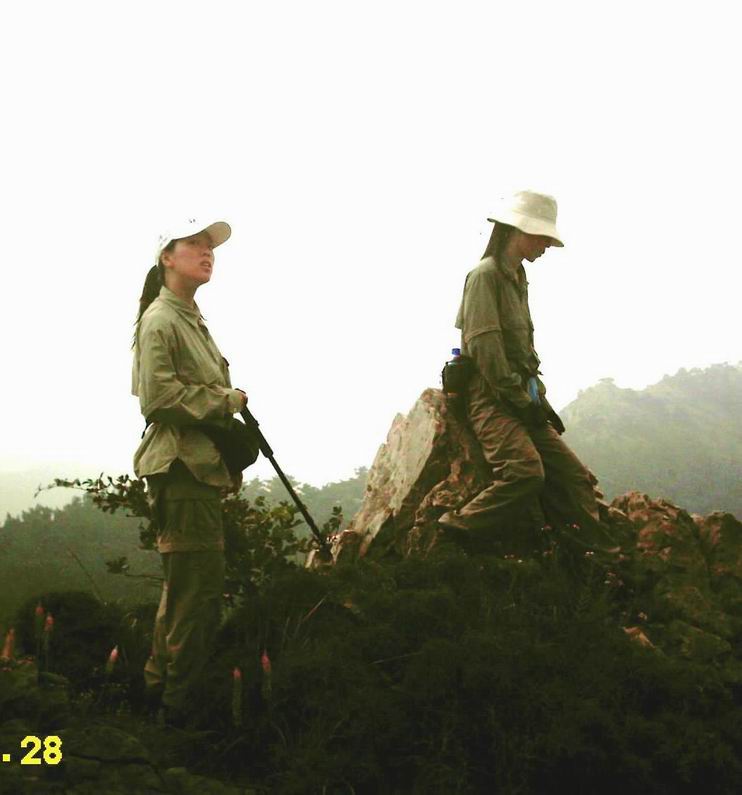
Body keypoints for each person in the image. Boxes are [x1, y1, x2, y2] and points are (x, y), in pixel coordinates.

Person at [439, 190, 615, 550]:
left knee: (574, 477)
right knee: (525, 473)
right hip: (491, 398)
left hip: (520, 396)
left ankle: (593, 554)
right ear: (517, 231)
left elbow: (523, 353)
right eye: (541, 237)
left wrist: (539, 404)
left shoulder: (517, 277)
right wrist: (522, 402)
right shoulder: (485, 276)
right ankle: (459, 526)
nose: (546, 246)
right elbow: (487, 352)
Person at [131, 217, 247, 728]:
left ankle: (157, 697)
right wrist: (227, 401)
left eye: (210, 246)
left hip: (193, 470)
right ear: (167, 257)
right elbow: (158, 399)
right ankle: (180, 715)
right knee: (196, 596)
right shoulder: (162, 319)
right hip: (181, 471)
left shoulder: (188, 317)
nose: (207, 252)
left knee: (183, 591)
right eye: (195, 244)